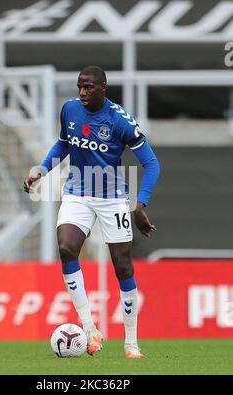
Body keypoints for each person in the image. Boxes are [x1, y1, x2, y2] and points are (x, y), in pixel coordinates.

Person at [24, 65, 160, 358]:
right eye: (79, 87)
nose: (82, 92)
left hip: (112, 198)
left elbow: (151, 163)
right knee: (66, 247)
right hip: (77, 193)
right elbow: (63, 144)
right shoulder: (69, 110)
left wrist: (140, 204)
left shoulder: (120, 121)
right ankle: (89, 329)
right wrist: (41, 170)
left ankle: (131, 341)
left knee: (123, 266)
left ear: (103, 88)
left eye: (88, 87)